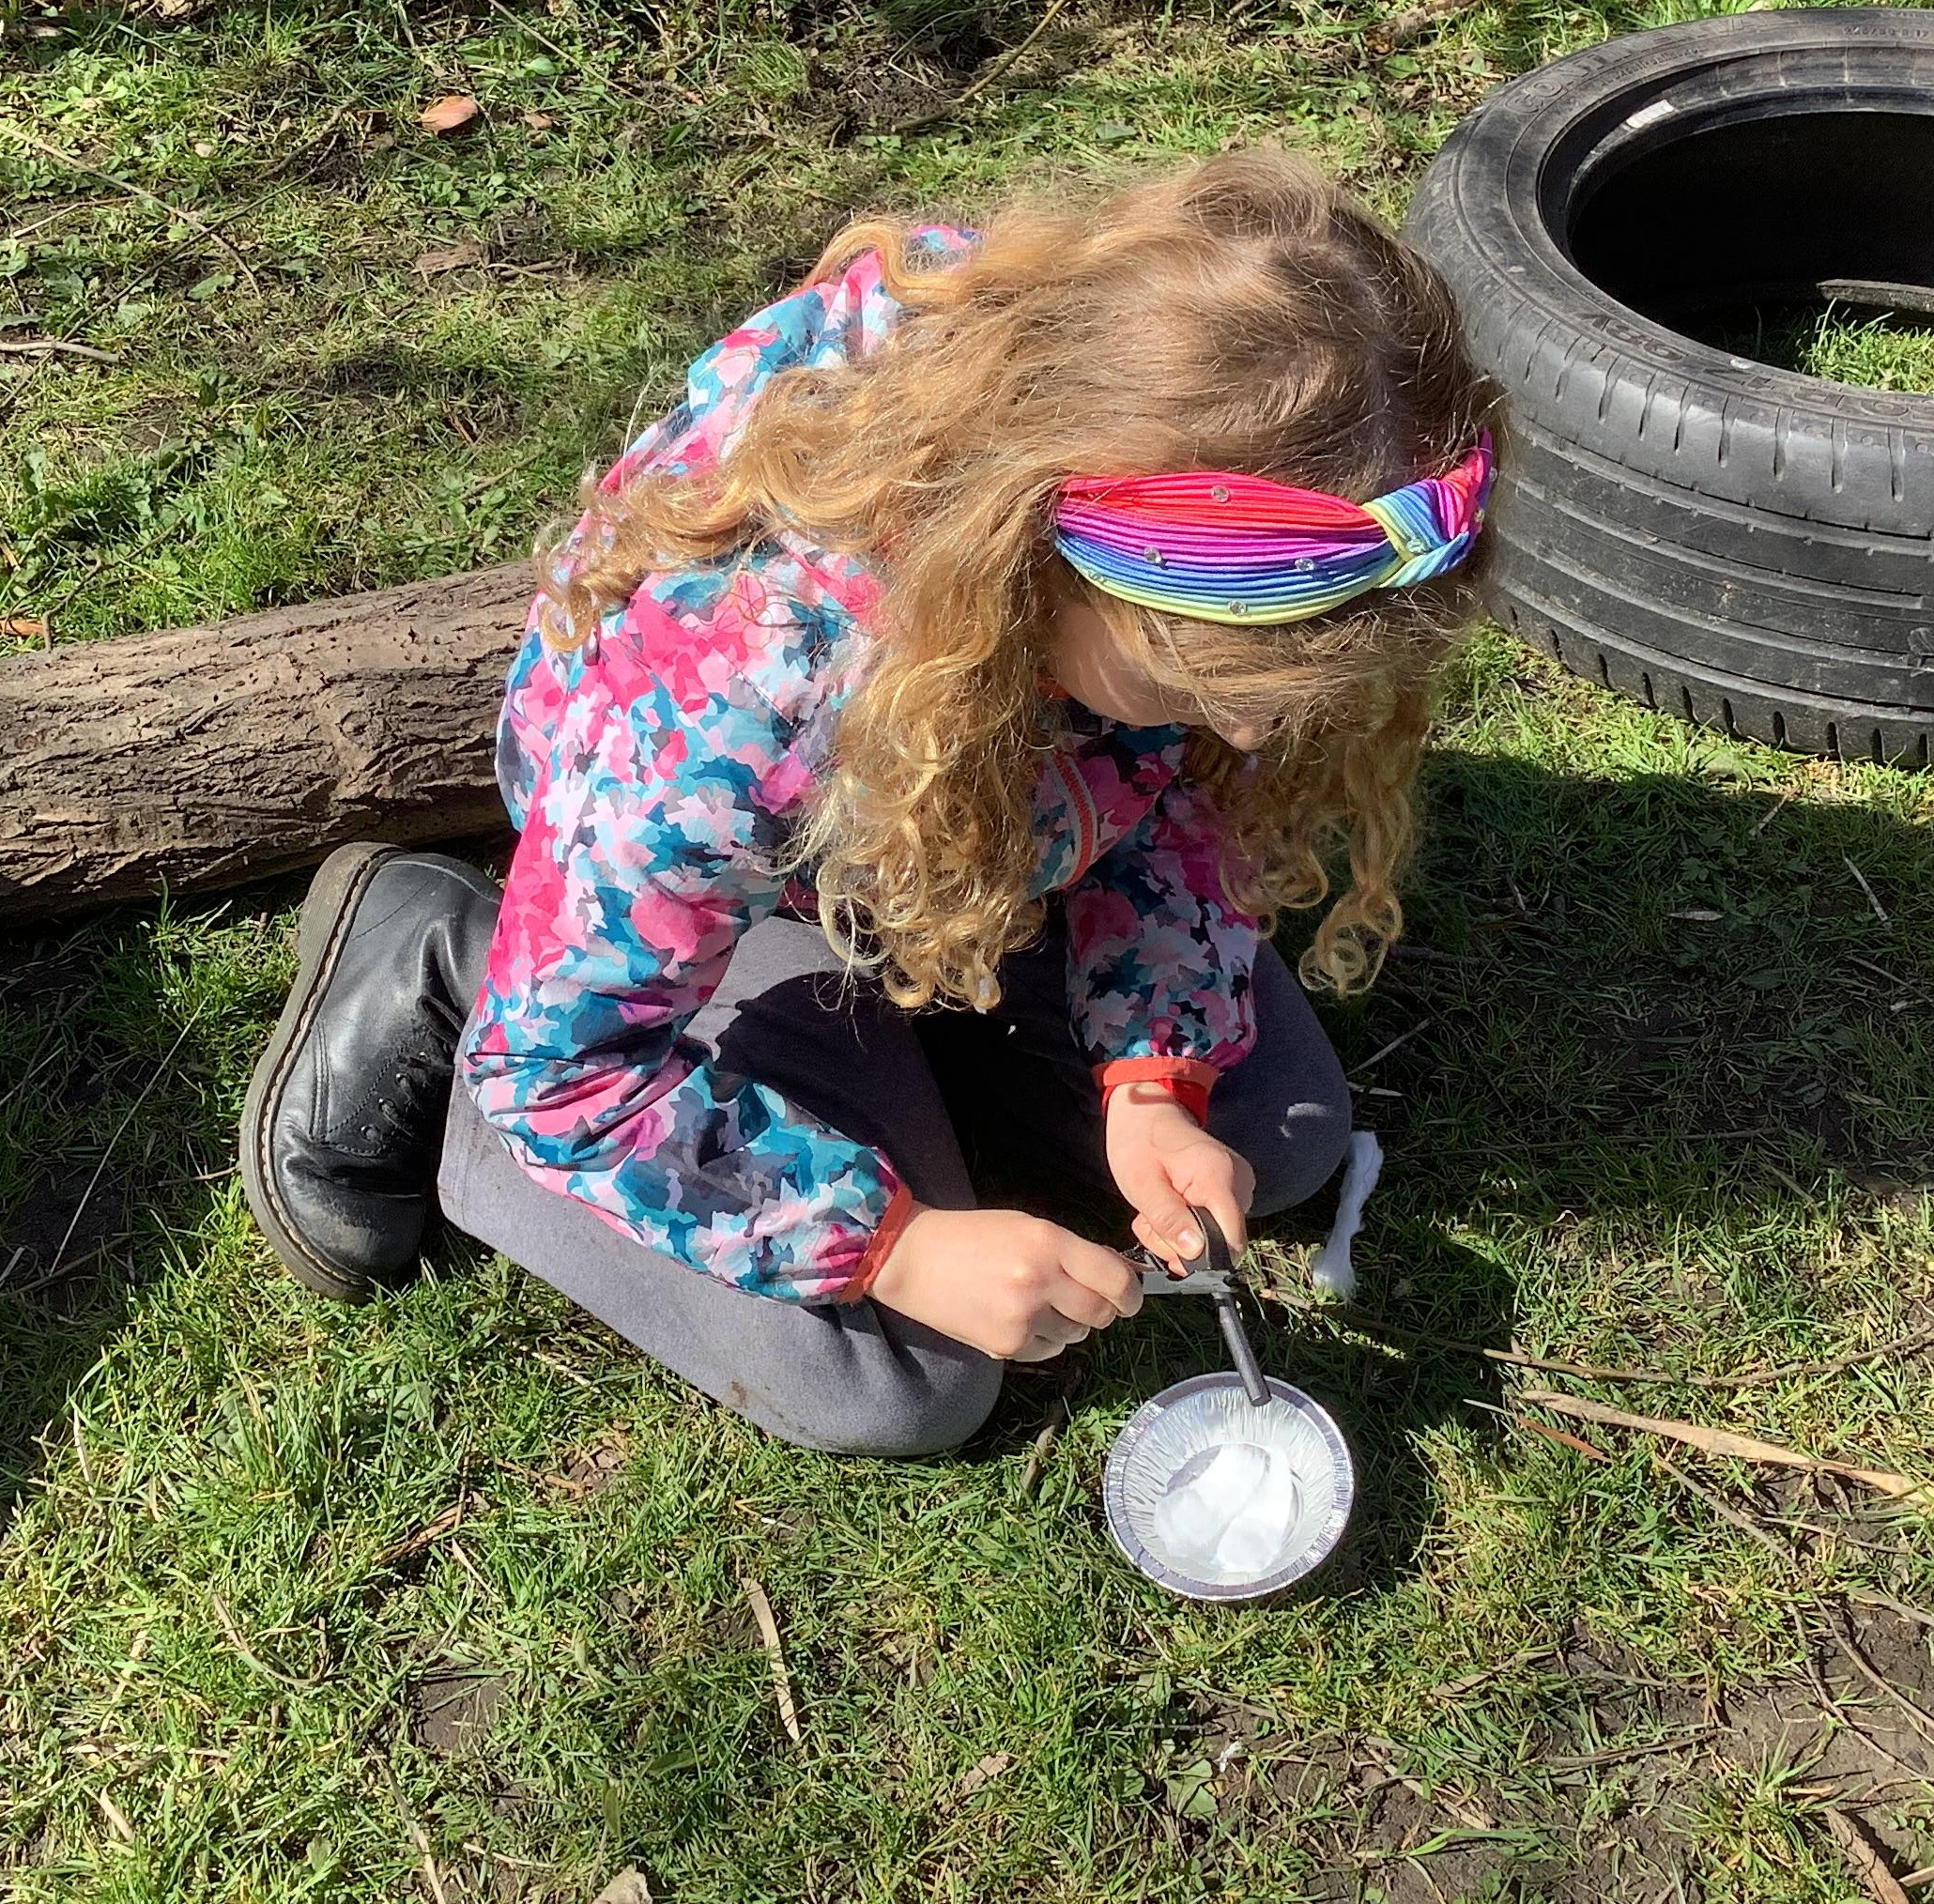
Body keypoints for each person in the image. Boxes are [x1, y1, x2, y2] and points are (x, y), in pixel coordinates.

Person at [235, 146, 1495, 1456]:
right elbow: (561, 1075)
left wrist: (1150, 1081)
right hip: (759, 886)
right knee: (899, 1384)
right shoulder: (750, 695)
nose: (1253, 729)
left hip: (975, 827)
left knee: (1278, 1137)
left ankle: (932, 1045)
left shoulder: (1170, 477)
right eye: (1202, 680)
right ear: (1043, 553)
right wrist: (894, 1246)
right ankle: (442, 954)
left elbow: (1176, 798)